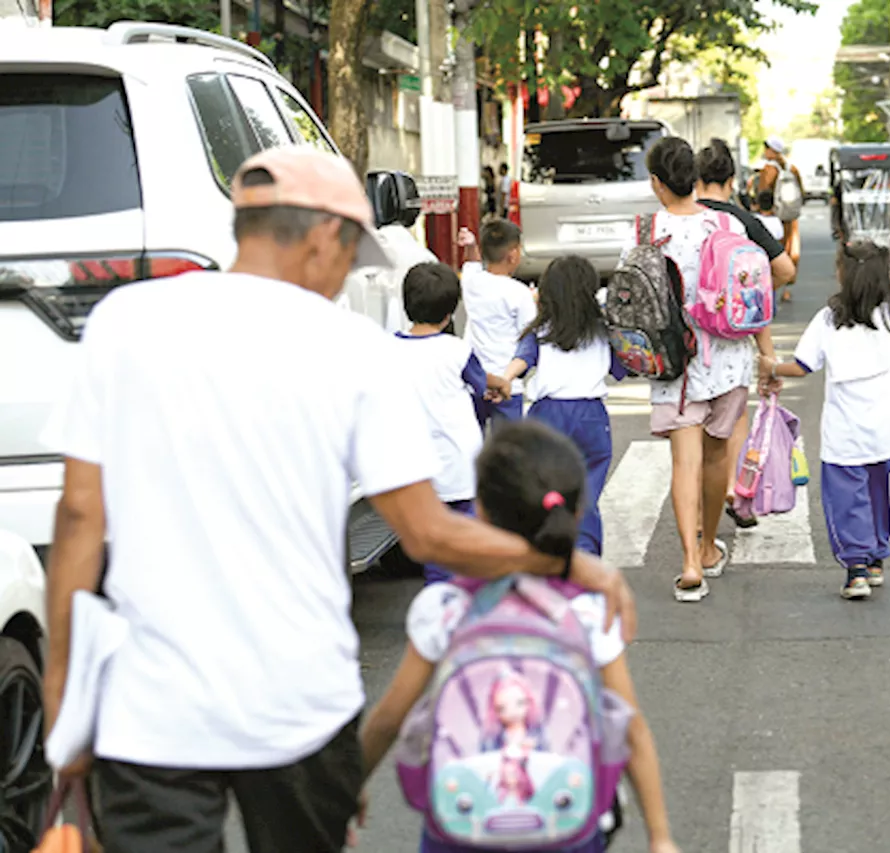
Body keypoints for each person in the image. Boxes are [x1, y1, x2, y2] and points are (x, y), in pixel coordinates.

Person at [39, 146, 635, 853]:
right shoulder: (354, 349)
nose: (344, 276)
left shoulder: (126, 321)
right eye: (351, 254)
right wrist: (565, 562)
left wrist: (62, 697)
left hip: (151, 709)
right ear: (324, 234)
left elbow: (79, 518)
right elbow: (427, 533)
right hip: (298, 704)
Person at [358, 421, 681, 853]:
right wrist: (660, 837)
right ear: (574, 511)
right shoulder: (587, 610)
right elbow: (631, 728)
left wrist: (350, 788)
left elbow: (387, 721)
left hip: (461, 829)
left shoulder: (446, 608)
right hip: (566, 826)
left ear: (481, 512)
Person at [620, 137, 771, 602]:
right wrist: (765, 353)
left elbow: (628, 297)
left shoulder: (646, 230)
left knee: (684, 461)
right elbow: (753, 288)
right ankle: (708, 548)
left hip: (674, 364)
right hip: (728, 358)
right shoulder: (726, 224)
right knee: (715, 457)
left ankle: (689, 563)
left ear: (657, 183)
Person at [762, 240, 890, 600]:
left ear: (842, 274)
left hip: (845, 432)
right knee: (877, 490)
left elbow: (803, 366)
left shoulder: (829, 319)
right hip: (886, 429)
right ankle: (876, 559)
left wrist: (771, 367)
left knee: (846, 498)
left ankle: (856, 568)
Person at [693, 138, 790, 531]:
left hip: (689, 340)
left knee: (693, 429)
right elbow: (785, 270)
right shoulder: (743, 222)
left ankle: (699, 516)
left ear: (696, 178)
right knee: (733, 419)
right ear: (732, 180)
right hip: (733, 340)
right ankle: (731, 487)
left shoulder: (681, 217)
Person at [395, 261, 511, 586]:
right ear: (450, 313)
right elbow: (481, 384)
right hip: (461, 465)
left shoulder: (388, 349)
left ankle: (439, 606)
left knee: (435, 548)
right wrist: (500, 385)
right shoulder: (458, 350)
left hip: (416, 467)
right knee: (470, 542)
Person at [503, 255, 627, 557]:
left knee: (545, 491)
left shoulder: (541, 331)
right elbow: (623, 369)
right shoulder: (603, 331)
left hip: (547, 416)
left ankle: (546, 552)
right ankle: (585, 557)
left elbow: (523, 360)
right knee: (585, 497)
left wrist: (505, 380)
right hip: (591, 417)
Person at [460, 221, 536, 431]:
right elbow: (529, 335)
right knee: (508, 451)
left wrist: (471, 246)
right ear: (513, 254)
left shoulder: (471, 282)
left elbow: (471, 263)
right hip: (508, 382)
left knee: (474, 445)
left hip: (475, 382)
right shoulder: (519, 293)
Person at [757, 136, 804, 280]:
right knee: (791, 248)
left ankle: (774, 283)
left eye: (767, 148)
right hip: (790, 214)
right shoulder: (792, 168)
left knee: (774, 251)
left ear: (773, 150)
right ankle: (788, 286)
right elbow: (801, 191)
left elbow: (763, 192)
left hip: (774, 215)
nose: (765, 152)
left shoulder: (769, 169)